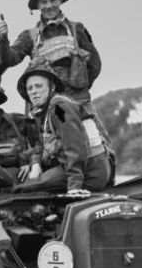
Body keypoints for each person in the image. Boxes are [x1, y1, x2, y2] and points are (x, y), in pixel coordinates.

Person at [0, 0, 101, 106]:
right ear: (37, 6)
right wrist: (3, 38)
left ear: (60, 0)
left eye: (53, 0)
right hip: (45, 104)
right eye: (44, 2)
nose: (49, 6)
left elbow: (95, 64)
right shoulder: (29, 36)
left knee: (92, 126)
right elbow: (9, 60)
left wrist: (81, 84)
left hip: (78, 101)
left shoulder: (77, 29)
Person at [13, 63, 111, 193]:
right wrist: (36, 163)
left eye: (39, 86)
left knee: (23, 190)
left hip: (90, 170)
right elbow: (42, 144)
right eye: (30, 88)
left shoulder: (59, 108)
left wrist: (74, 187)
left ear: (51, 87)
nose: (34, 92)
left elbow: (74, 145)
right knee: (26, 182)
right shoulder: (44, 112)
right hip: (74, 168)